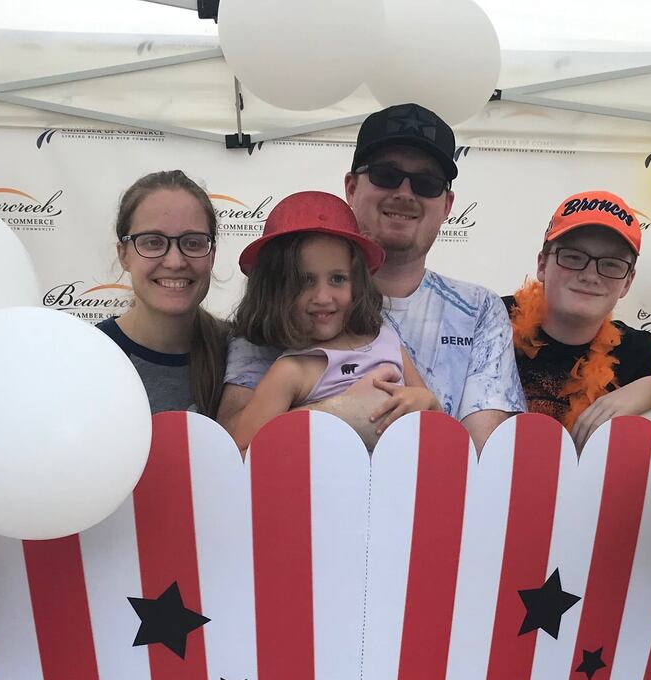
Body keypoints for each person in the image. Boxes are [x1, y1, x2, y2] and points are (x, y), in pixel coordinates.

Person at [218, 102, 524, 450]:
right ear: (351, 187)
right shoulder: (277, 316)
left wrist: (425, 406)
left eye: (426, 182)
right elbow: (233, 447)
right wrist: (340, 412)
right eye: (385, 175)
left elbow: (479, 452)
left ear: (448, 204)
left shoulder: (479, 310)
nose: (405, 193)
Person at [226, 192, 427, 451]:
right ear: (275, 290)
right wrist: (335, 413)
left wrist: (421, 401)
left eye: (337, 279)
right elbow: (240, 455)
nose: (322, 297)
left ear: (358, 283)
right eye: (304, 281)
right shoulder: (288, 373)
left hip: (399, 488)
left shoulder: (388, 340)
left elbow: (436, 418)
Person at [504, 190, 651, 447]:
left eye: (611, 264)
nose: (590, 275)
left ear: (627, 282)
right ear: (542, 265)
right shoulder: (490, 322)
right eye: (573, 257)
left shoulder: (641, 354)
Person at [100, 169, 229, 416]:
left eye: (193, 242)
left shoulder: (241, 354)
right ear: (123, 254)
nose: (175, 261)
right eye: (153, 242)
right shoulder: (87, 356)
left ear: (212, 256)